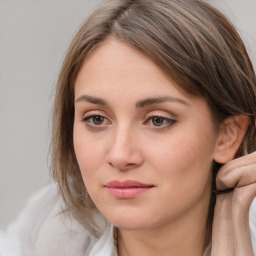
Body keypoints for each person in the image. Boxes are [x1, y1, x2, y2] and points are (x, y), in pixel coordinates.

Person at [1, 0, 256, 255]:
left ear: (227, 136)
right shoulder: (42, 230)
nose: (120, 156)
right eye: (97, 119)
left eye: (158, 120)